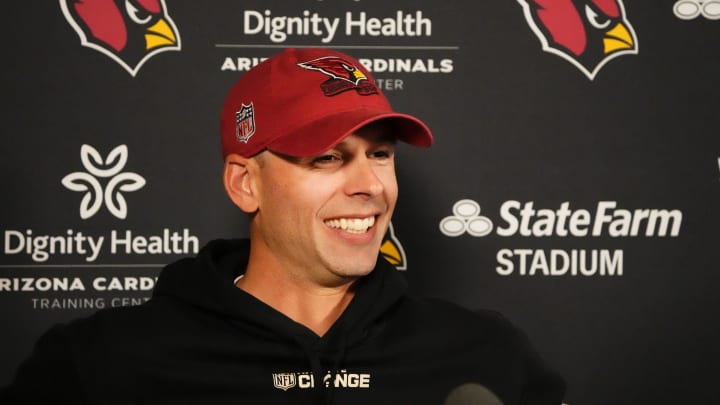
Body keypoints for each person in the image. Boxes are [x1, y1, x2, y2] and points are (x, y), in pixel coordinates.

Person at [1, 48, 565, 404]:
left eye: (381, 154)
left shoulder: (485, 353)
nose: (370, 184)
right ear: (246, 183)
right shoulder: (102, 363)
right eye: (327, 158)